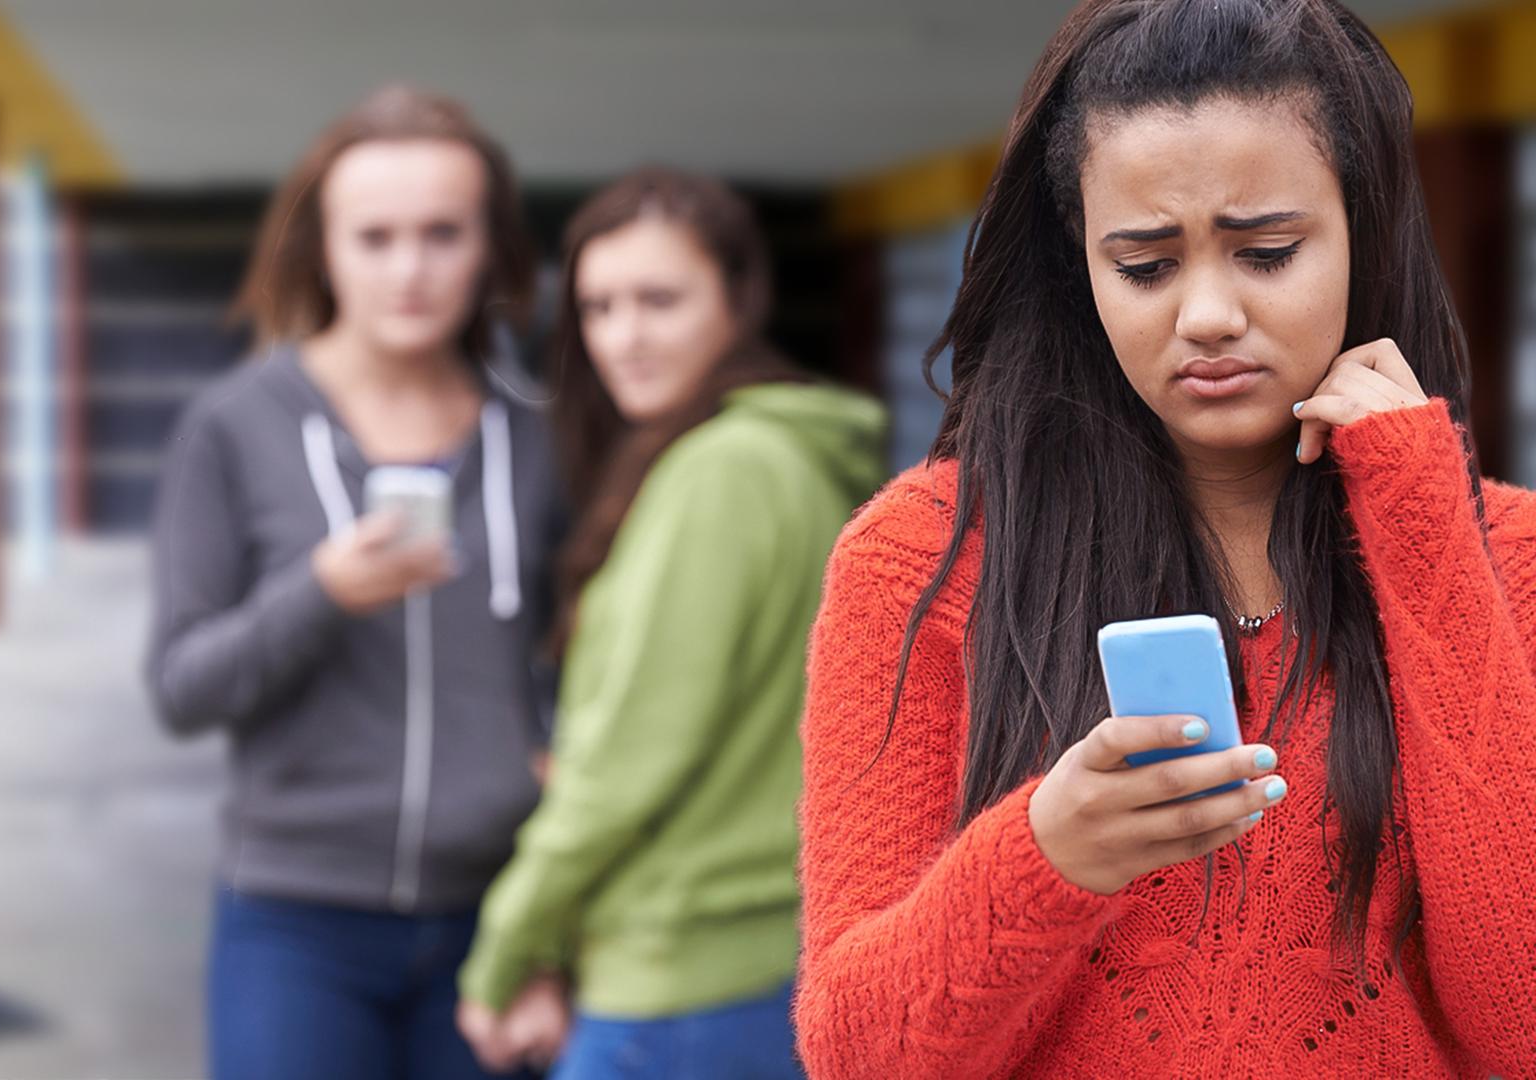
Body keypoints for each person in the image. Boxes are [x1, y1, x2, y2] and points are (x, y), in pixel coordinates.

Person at [793, 0, 1536, 1075]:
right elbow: (858, 1055)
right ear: (1079, 268)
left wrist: (1423, 527)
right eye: (1144, 266)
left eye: (1267, 253)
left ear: (1360, 230)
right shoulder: (923, 562)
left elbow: (1520, 1026)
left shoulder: (1502, 555)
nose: (1206, 315)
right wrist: (1045, 858)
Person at [144, 85, 561, 1080]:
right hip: (293, 921)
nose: (409, 271)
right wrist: (318, 593)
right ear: (322, 249)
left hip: (494, 918)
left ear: (492, 250)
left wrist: (553, 934)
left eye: (442, 234)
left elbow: (590, 686)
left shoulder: (543, 437)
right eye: (373, 237)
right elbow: (181, 687)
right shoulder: (235, 427)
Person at [455, 168, 888, 1079]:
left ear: (739, 299)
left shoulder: (722, 472)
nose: (624, 337)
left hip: (682, 987)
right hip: (760, 966)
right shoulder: (786, 456)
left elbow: (628, 765)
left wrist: (503, 953)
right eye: (599, 307)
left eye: (659, 299)